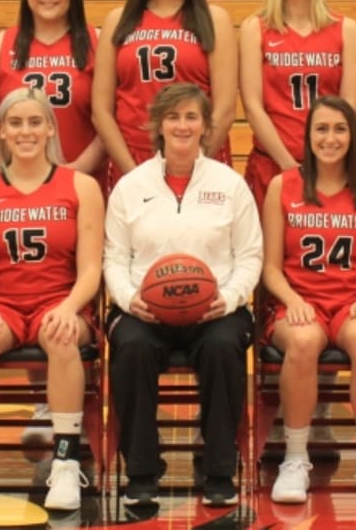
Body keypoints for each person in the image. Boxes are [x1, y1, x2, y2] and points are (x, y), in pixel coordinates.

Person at [104, 83, 261, 507]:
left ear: (206, 127)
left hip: (215, 308)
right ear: (158, 125)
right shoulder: (130, 186)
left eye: (192, 117)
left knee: (223, 347)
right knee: (132, 348)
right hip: (144, 308)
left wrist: (229, 298)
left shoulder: (230, 185)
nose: (182, 126)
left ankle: (218, 470)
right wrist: (128, 299)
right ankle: (141, 472)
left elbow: (250, 255)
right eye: (173, 117)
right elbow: (114, 258)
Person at [0, 88, 104, 511]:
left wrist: (69, 308)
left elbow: (91, 269)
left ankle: (66, 462)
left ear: (51, 128)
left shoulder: (81, 186)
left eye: (35, 122)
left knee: (61, 336)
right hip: (2, 302)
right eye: (15, 123)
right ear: (1, 131)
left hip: (60, 299)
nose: (25, 131)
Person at [261, 96, 356, 506]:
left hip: (355, 301)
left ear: (353, 136)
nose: (330, 138)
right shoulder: (283, 186)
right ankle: (295, 457)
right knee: (302, 342)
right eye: (321, 129)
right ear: (308, 136)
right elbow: (270, 268)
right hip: (300, 301)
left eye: (340, 129)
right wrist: (291, 299)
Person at [91, 0, 237, 185]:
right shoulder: (117, 20)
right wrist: (135, 176)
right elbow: (101, 110)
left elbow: (225, 109)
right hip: (132, 157)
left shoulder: (214, 19)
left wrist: (192, 166)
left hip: (199, 158)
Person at [240, 0, 356, 205]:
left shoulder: (346, 29)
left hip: (330, 167)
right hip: (272, 163)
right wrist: (288, 166)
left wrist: (324, 163)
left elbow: (350, 105)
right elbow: (252, 106)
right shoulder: (255, 28)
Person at [0, 0, 103, 179]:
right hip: (15, 183)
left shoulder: (98, 42)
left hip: (83, 181)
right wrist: (10, 169)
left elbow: (108, 119)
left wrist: (75, 171)